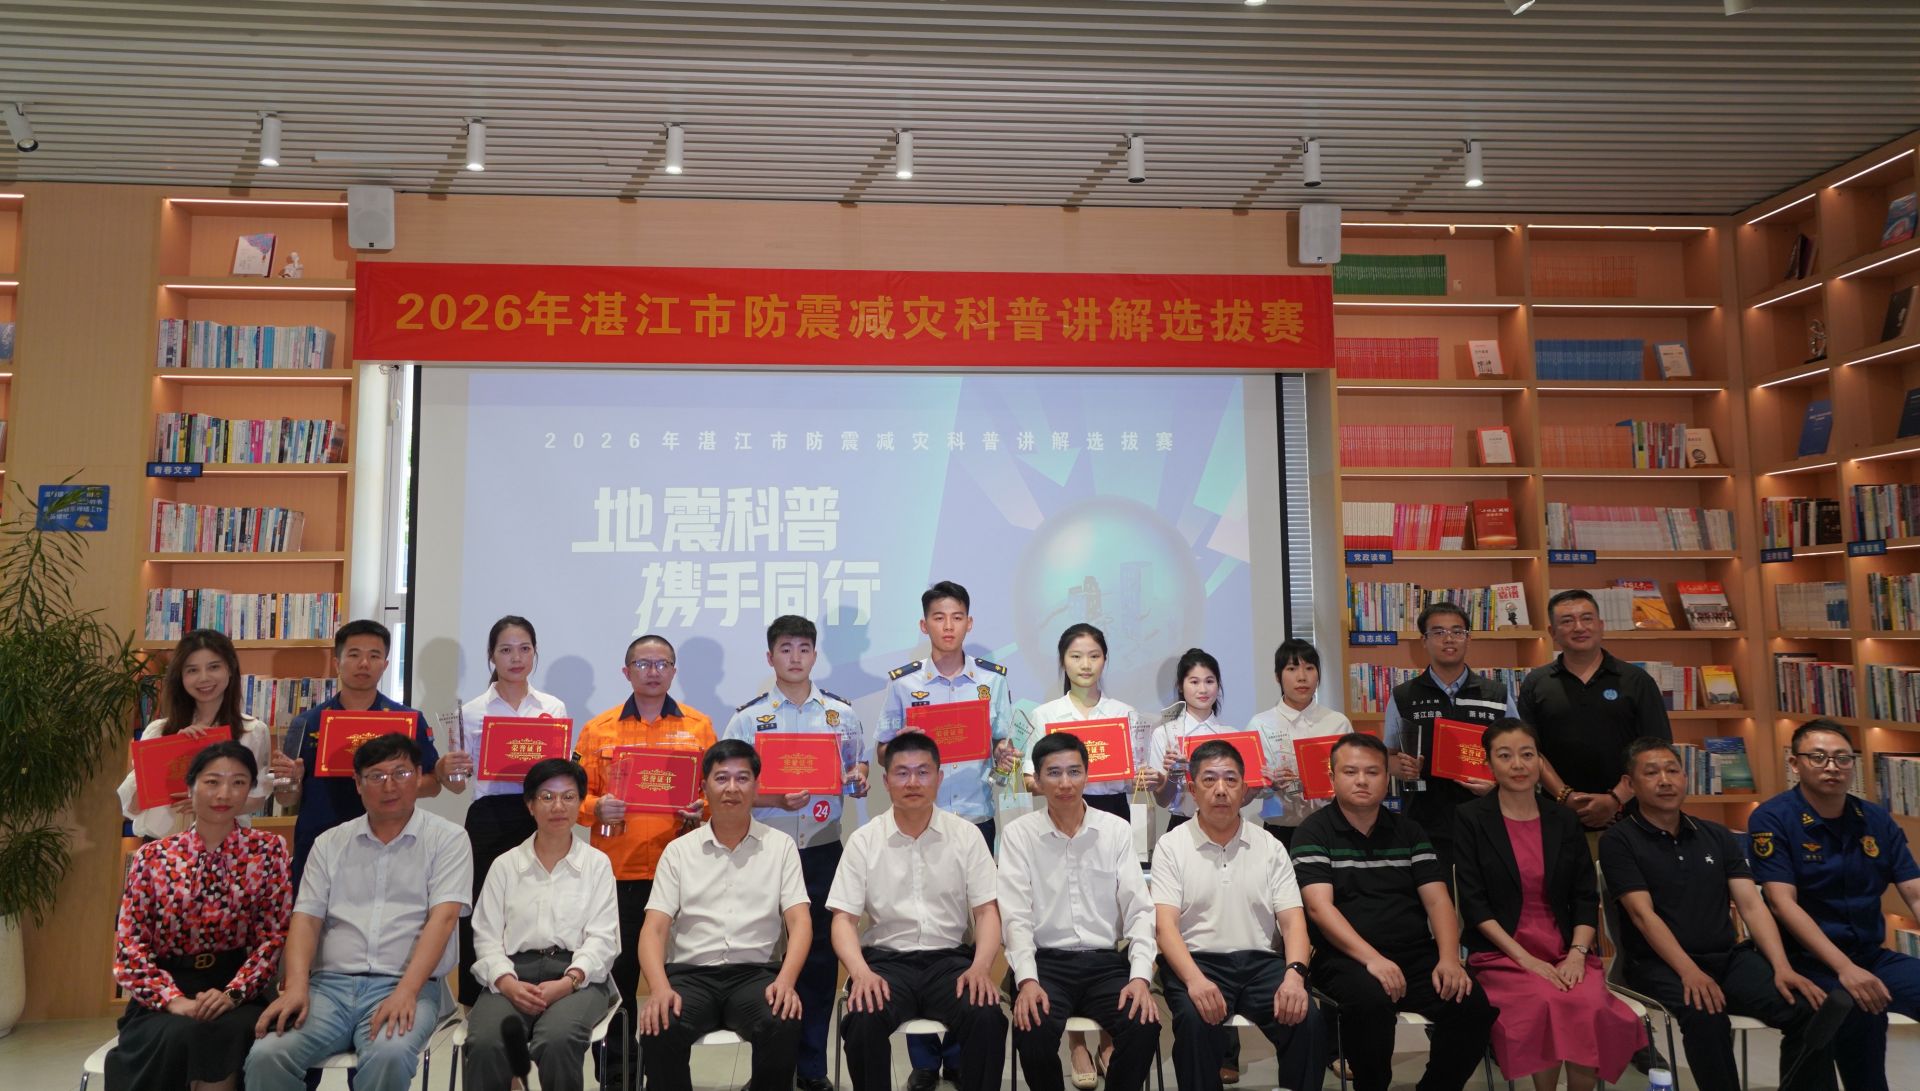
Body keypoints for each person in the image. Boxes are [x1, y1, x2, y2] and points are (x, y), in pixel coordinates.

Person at [1600, 737, 1839, 1091]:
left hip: (1727, 958)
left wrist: (1781, 966)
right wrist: (1689, 971)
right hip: (1657, 965)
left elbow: (1751, 905)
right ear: (1630, 784)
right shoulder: (1619, 840)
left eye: (1672, 771)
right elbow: (1642, 916)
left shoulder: (1715, 834)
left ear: (1685, 778)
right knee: (1706, 1014)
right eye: (1651, 773)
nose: (1665, 780)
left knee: (1809, 1009)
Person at [246, 733, 470, 1091]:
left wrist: (406, 991)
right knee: (268, 1055)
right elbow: (306, 919)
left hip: (406, 985)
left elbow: (442, 920)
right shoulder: (329, 843)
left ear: (418, 775)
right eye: (376, 776)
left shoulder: (449, 839)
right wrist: (296, 986)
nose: (389, 785)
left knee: (389, 1055)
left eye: (401, 773)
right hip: (328, 988)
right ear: (358, 783)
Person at [1291, 733, 1496, 1091]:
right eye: (1350, 771)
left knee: (1472, 1006)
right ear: (1333, 777)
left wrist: (1449, 958)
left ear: (1387, 779)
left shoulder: (1409, 831)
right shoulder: (1314, 832)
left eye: (1372, 772)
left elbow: (1438, 901)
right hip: (1344, 958)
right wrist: (1373, 960)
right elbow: (1319, 908)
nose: (1362, 780)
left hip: (1414, 954)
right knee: (1369, 1004)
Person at [876, 580, 1017, 1090]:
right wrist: (902, 749)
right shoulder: (904, 685)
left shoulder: (991, 681)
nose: (948, 626)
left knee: (969, 931)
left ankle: (960, 1050)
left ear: (969, 623)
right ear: (924, 625)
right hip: (919, 819)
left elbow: (1004, 745)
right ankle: (923, 1060)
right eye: (938, 617)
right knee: (920, 926)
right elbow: (883, 751)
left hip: (975, 819)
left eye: (957, 617)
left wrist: (1003, 754)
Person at [1453, 718, 1644, 1091]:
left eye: (1528, 755)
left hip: (1564, 950)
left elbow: (1584, 896)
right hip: (1502, 954)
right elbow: (1474, 905)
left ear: (1540, 761)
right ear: (1488, 764)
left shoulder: (1563, 819)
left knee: (1589, 1006)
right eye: (1505, 756)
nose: (1518, 765)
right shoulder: (1471, 818)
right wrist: (1526, 960)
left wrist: (1576, 954)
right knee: (1546, 1001)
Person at [721, 614, 869, 1091]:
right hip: (764, 852)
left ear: (815, 655)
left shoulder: (840, 714)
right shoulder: (748, 719)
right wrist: (773, 799)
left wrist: (859, 778)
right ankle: (771, 1071)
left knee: (821, 961)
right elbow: (727, 788)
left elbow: (857, 769)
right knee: (764, 960)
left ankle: (812, 1068)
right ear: (770, 657)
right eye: (785, 649)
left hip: (823, 850)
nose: (795, 658)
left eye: (804, 649)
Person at [827, 730, 1008, 1091]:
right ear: (886, 781)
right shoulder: (865, 840)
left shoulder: (966, 835)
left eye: (923, 772)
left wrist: (981, 967)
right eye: (902, 773)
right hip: (886, 963)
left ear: (939, 778)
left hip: (950, 961)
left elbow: (987, 912)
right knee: (863, 1020)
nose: (913, 782)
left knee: (987, 1016)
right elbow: (843, 919)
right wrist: (860, 973)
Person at [1016, 622, 1155, 1087]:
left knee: (1105, 916)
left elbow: (1136, 774)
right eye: (1076, 656)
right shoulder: (1045, 714)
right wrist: (1049, 781)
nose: (1085, 664)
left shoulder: (1125, 713)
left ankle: (1108, 1037)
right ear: (1063, 661)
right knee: (1062, 908)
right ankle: (1077, 1044)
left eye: (1094, 655)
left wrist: (1148, 776)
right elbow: (1029, 775)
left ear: (1105, 660)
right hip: (1056, 812)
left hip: (1110, 812)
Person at [574, 632, 715, 1087]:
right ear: (626, 671)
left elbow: (716, 793)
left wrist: (703, 809)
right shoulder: (598, 729)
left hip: (683, 873)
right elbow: (572, 798)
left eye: (662, 664)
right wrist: (596, 808)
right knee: (617, 982)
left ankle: (667, 1076)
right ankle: (617, 1076)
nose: (653, 672)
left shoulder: (699, 727)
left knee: (676, 983)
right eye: (643, 664)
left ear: (673, 671)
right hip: (618, 875)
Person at [110, 741, 292, 1091]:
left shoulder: (268, 851)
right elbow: (129, 946)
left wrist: (232, 993)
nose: (224, 793)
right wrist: (172, 1000)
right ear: (190, 786)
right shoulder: (154, 856)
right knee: (183, 1032)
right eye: (212, 782)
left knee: (228, 1034)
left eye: (238, 782)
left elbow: (273, 936)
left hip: (236, 987)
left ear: (250, 790)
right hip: (166, 987)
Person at [1750, 719, 1920, 1091]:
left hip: (1870, 954)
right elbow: (1781, 903)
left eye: (1843, 758)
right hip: (1807, 959)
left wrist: (1856, 966)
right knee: (1855, 1008)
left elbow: (1914, 891)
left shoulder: (1874, 818)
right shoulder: (1773, 818)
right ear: (1795, 764)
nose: (1832, 767)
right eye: (1819, 757)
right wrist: (1844, 968)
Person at [1150, 738, 1324, 1091]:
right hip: (1196, 962)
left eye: (1230, 779)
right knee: (1194, 1021)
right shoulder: (1172, 846)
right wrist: (1195, 980)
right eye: (1209, 779)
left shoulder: (1270, 846)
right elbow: (1165, 927)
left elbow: (1293, 922)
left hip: (1262, 963)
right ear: (1193, 789)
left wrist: (1295, 975)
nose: (1220, 790)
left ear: (1245, 790)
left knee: (1307, 1018)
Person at [640, 739, 810, 1091]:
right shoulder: (679, 851)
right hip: (691, 976)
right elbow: (654, 928)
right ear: (704, 787)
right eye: (721, 778)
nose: (732, 788)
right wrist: (658, 988)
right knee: (659, 1024)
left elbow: (800, 921)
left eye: (742, 778)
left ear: (757, 786)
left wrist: (786, 981)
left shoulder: (780, 847)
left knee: (782, 1019)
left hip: (755, 975)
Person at [1001, 731, 1161, 1091]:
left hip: (1105, 963)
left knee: (1143, 1023)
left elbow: (1139, 910)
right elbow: (1015, 916)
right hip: (1045, 964)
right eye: (1054, 773)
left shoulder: (1115, 831)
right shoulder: (1019, 834)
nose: (1065, 783)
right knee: (1032, 1024)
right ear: (1037, 780)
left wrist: (1140, 977)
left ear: (1087, 775)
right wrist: (1027, 980)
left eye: (1074, 772)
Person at [441, 614, 574, 1006]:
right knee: (483, 905)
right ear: (491, 656)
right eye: (506, 650)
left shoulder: (552, 706)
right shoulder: (471, 711)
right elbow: (458, 784)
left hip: (540, 814)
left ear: (535, 653)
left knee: (539, 903)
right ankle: (476, 998)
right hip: (489, 816)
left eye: (524, 649)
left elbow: (561, 771)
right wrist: (450, 769)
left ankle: (538, 988)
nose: (516, 658)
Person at [464, 759, 617, 1091]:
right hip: (512, 974)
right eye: (547, 797)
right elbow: (486, 937)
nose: (557, 806)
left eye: (568, 797)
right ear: (530, 805)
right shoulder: (505, 866)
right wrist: (506, 983)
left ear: (580, 803)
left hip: (578, 976)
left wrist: (569, 981)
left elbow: (603, 939)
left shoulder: (597, 865)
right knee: (486, 1042)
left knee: (557, 1040)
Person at [268, 619, 442, 887]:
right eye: (354, 655)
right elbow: (285, 797)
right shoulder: (306, 723)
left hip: (391, 842)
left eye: (374, 656)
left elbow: (433, 785)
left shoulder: (407, 720)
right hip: (320, 841)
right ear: (337, 663)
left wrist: (393, 781)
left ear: (385, 664)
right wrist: (291, 780)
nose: (364, 664)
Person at [1516, 590, 1671, 832]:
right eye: (1567, 621)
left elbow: (1658, 749)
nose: (1579, 627)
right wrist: (1566, 796)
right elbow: (1529, 750)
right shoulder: (1536, 683)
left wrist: (1615, 799)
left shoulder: (1637, 680)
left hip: (1631, 816)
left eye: (1587, 618)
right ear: (1552, 632)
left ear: (1601, 625)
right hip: (1558, 815)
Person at [1382, 602, 1511, 880]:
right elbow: (1387, 757)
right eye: (1438, 632)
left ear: (1468, 638)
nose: (1449, 639)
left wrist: (1497, 786)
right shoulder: (1404, 696)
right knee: (1435, 897)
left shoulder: (1497, 694)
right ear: (1424, 641)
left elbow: (1518, 755)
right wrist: (1400, 767)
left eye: (1457, 631)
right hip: (1425, 821)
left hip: (1488, 819)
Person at [117, 628, 273, 839]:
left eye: (214, 667)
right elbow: (132, 807)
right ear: (180, 677)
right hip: (162, 846)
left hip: (225, 845)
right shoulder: (158, 731)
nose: (204, 678)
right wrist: (173, 752)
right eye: (192, 670)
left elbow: (256, 798)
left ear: (230, 669)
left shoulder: (252, 732)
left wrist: (207, 803)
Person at [1248, 637, 1353, 848]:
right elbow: (1249, 787)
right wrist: (1270, 784)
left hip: (1331, 830)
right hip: (1280, 833)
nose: (1302, 677)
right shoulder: (1259, 725)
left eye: (1310, 668)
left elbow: (1353, 776)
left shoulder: (1337, 723)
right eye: (1292, 668)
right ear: (1277, 676)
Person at [1146, 647, 1245, 828]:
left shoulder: (1232, 736)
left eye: (1209, 681)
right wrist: (1174, 774)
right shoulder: (1165, 735)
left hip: (1227, 824)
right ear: (1180, 686)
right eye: (1194, 682)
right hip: (1182, 825)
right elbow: (1162, 800)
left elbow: (1242, 796)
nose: (1203, 689)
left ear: (1218, 685)